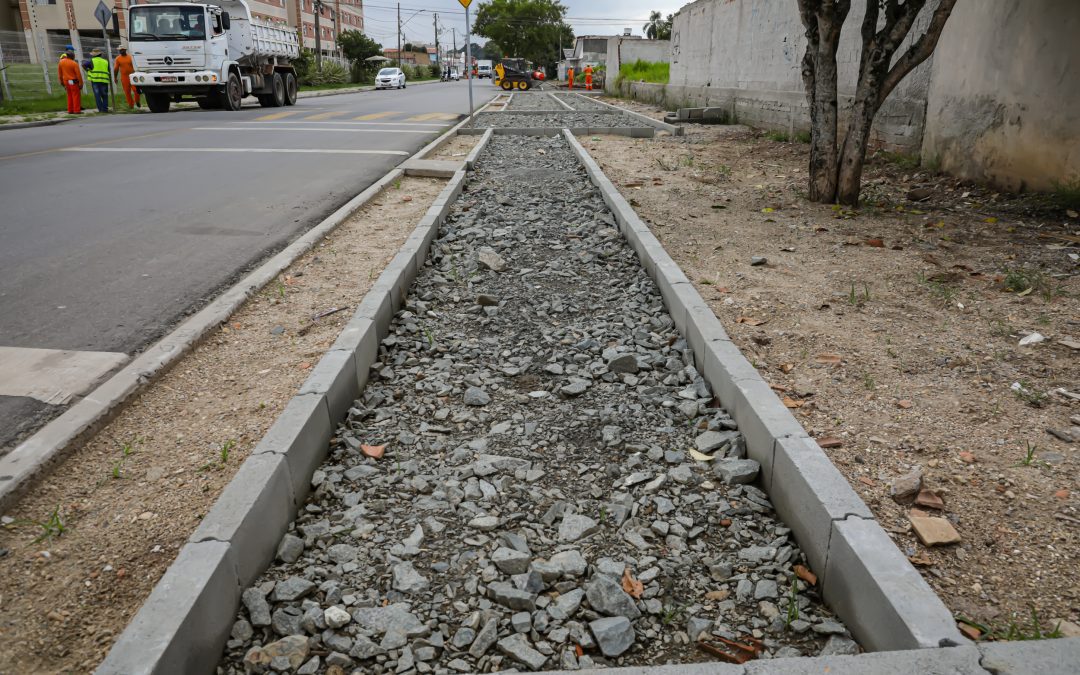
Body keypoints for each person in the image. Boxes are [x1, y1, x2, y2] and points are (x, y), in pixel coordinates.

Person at [87, 48, 110, 113]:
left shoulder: (91, 60)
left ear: (93, 55)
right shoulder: (105, 61)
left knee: (97, 95)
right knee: (105, 95)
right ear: (100, 54)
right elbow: (108, 70)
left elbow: (84, 64)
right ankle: (105, 109)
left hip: (95, 80)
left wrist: (88, 70)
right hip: (104, 80)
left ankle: (100, 110)